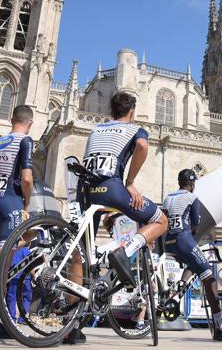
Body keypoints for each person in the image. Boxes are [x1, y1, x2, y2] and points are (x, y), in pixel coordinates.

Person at [68, 92, 168, 343]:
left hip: (86, 191)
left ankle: (70, 324)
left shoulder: (96, 130)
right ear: (132, 111)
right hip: (112, 189)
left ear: (110, 111)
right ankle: (127, 250)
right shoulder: (135, 130)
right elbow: (143, 147)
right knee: (161, 221)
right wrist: (131, 182)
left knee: (81, 255)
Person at [0, 104, 34, 339]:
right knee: (4, 262)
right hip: (11, 203)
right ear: (30, 123)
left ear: (12, 119)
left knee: (8, 253)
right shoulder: (25, 141)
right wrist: (26, 204)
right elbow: (26, 178)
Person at [162, 169, 222, 340]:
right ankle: (220, 327)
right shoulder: (192, 198)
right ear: (191, 184)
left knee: (193, 263)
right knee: (209, 279)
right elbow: (195, 227)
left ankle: (178, 290)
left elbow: (164, 218)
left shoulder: (168, 197)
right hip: (184, 240)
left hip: (168, 241)